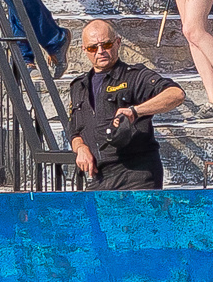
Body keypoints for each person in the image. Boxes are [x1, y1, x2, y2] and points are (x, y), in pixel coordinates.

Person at [66, 21, 186, 191]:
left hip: (136, 174)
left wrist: (135, 111)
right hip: (99, 176)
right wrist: (80, 148)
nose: (101, 52)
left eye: (106, 44)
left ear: (118, 42)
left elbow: (176, 94)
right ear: (84, 50)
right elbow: (74, 130)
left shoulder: (134, 77)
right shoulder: (78, 86)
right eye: (93, 48)